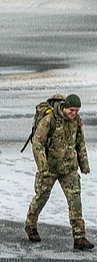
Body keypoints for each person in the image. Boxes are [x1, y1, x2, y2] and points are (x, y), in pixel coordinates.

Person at [26, 94, 93, 249]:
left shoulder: (76, 121)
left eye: (76, 111)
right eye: (71, 110)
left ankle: (79, 237)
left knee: (75, 200)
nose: (73, 114)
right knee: (41, 197)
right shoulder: (49, 120)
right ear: (64, 107)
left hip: (69, 168)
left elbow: (80, 143)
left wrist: (84, 165)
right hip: (49, 167)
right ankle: (31, 225)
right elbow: (37, 143)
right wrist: (42, 167)